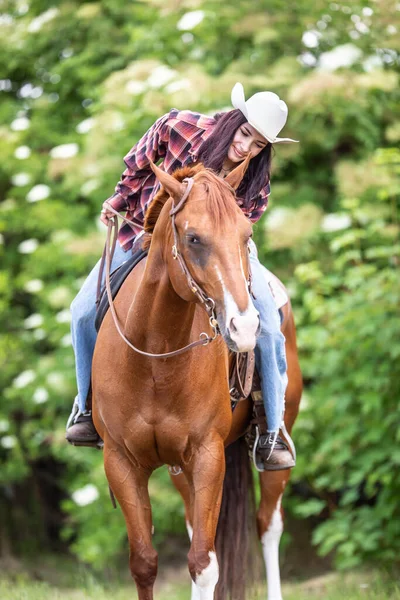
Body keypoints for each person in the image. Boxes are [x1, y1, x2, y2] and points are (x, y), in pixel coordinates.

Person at [66, 82, 298, 470]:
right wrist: (118, 200)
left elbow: (243, 226)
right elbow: (138, 165)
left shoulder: (257, 179)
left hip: (219, 250)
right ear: (233, 120)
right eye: (245, 134)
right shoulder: (178, 127)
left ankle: (270, 430)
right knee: (81, 312)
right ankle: (85, 408)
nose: (246, 148)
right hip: (143, 234)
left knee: (270, 325)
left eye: (259, 145)